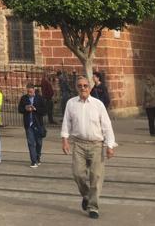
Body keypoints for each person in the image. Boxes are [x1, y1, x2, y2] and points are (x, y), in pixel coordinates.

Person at [61, 76, 117, 219]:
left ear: (90, 87)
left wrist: (110, 145)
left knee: (96, 176)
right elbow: (66, 122)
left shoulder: (98, 104)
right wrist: (65, 140)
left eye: (85, 85)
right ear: (76, 87)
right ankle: (86, 195)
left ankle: (93, 207)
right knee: (77, 174)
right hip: (78, 144)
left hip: (96, 145)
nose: (83, 88)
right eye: (80, 86)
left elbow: (106, 126)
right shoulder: (71, 103)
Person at [17, 84, 46, 168]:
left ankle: (38, 157)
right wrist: (26, 109)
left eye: (31, 92)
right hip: (28, 124)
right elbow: (20, 109)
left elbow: (44, 111)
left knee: (39, 142)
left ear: (34, 90)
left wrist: (35, 109)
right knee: (31, 143)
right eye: (28, 92)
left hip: (38, 124)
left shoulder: (40, 98)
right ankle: (33, 161)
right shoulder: (24, 98)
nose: (29, 93)